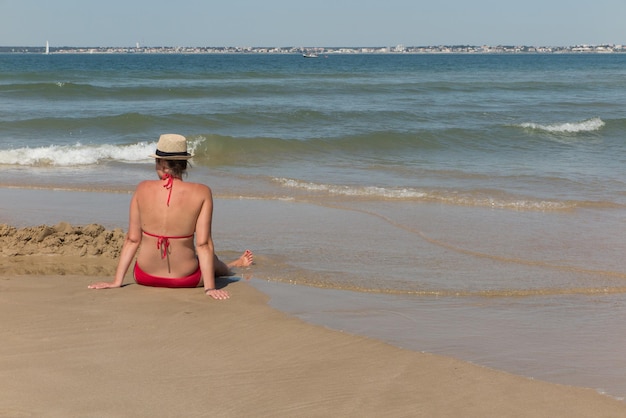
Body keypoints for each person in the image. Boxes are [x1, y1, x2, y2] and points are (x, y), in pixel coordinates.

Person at [88, 134, 253, 300]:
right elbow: (203, 245)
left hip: (144, 276)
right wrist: (210, 288)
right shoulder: (202, 192)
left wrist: (117, 281)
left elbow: (132, 239)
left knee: (206, 258)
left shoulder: (142, 188)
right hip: (186, 279)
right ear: (184, 164)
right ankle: (232, 265)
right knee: (213, 260)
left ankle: (233, 264)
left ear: (161, 163)